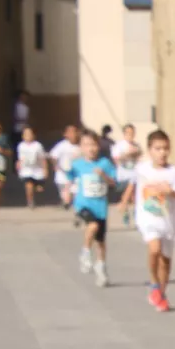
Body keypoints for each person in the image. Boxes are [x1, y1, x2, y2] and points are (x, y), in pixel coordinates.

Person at [134, 129, 175, 312]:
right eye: (157, 148)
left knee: (165, 261)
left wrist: (170, 191)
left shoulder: (173, 172)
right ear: (149, 150)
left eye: (165, 148)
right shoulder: (142, 169)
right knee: (154, 249)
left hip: (169, 222)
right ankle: (153, 283)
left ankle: (161, 294)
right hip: (148, 219)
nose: (162, 152)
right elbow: (131, 182)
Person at [70, 129, 117, 288]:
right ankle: (84, 252)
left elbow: (113, 182)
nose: (91, 148)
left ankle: (101, 268)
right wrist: (66, 191)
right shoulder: (78, 164)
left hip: (100, 207)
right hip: (83, 205)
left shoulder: (105, 163)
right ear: (81, 148)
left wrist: (103, 175)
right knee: (93, 226)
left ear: (99, 146)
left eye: (94, 144)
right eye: (86, 145)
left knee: (101, 242)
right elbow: (68, 177)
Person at [111, 123, 142, 227]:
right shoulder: (119, 146)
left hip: (134, 174)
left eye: (132, 133)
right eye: (128, 133)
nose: (130, 135)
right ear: (124, 134)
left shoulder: (136, 145)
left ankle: (134, 213)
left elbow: (139, 159)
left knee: (134, 197)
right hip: (123, 174)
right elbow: (116, 160)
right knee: (127, 194)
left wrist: (136, 154)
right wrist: (128, 154)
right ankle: (124, 209)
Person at [48, 124, 81, 209]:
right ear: (65, 134)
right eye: (70, 133)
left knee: (75, 191)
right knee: (65, 191)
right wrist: (55, 166)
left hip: (76, 173)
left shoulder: (80, 145)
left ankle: (73, 204)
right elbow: (53, 156)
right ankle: (66, 201)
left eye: (74, 132)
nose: (72, 135)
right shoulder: (62, 145)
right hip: (63, 173)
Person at [15, 126, 47, 208]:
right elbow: (20, 158)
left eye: (30, 134)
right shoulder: (21, 146)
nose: (28, 136)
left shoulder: (37, 146)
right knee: (28, 185)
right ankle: (30, 201)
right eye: (26, 134)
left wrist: (45, 169)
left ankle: (38, 186)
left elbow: (42, 158)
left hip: (37, 169)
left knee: (39, 188)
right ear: (23, 136)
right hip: (26, 169)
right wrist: (18, 164)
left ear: (33, 135)